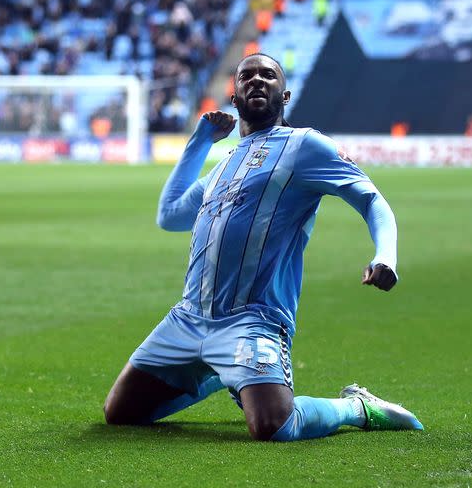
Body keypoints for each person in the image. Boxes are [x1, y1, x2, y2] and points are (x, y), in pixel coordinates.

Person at [103, 53, 423, 441]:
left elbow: (372, 200)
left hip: (252, 319)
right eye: (246, 76)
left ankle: (356, 407)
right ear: (234, 98)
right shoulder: (224, 165)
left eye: (267, 75)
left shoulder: (306, 146)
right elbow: (170, 215)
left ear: (284, 95)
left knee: (274, 427)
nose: (257, 80)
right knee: (120, 413)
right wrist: (201, 140)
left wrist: (384, 256)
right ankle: (228, 371)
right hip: (188, 317)